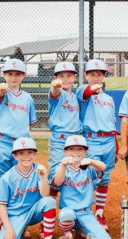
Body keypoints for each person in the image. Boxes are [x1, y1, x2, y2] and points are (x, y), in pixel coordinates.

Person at [0, 58, 37, 237]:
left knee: (20, 181)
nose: (13, 77)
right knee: (1, 183)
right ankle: (1, 221)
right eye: (10, 74)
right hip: (2, 142)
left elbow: (29, 123)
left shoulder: (27, 98)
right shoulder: (1, 90)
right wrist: (2, 89)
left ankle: (20, 221)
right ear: (4, 75)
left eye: (17, 74)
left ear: (23, 75)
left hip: (21, 146)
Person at [52, 135, 115, 239]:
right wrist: (62, 166)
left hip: (86, 213)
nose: (76, 152)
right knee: (66, 214)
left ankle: (83, 232)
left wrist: (92, 162)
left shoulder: (89, 167)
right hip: (68, 212)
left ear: (86, 152)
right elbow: (58, 182)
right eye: (71, 149)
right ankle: (67, 234)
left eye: (80, 149)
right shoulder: (61, 168)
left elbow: (103, 167)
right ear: (65, 152)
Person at [0, 137, 56, 239]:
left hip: (33, 212)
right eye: (21, 153)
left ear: (35, 154)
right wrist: (8, 228)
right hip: (15, 216)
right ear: (15, 155)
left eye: (29, 152)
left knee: (50, 201)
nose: (26, 156)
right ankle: (20, 230)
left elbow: (45, 194)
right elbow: (1, 205)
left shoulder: (39, 169)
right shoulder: (7, 177)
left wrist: (43, 177)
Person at [76, 59, 118, 230]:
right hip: (91, 138)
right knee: (90, 176)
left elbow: (112, 123)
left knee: (104, 177)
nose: (95, 77)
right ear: (85, 75)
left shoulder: (108, 98)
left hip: (109, 140)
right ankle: (86, 212)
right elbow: (86, 92)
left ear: (104, 76)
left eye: (99, 74)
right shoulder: (82, 91)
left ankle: (99, 213)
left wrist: (115, 144)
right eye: (92, 74)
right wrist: (91, 89)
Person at [47, 61, 81, 195]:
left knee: (73, 172)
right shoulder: (58, 94)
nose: (65, 79)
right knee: (56, 174)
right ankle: (50, 207)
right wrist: (55, 87)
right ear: (56, 78)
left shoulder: (75, 97)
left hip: (74, 140)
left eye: (69, 75)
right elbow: (54, 93)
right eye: (61, 76)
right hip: (60, 139)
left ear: (74, 77)